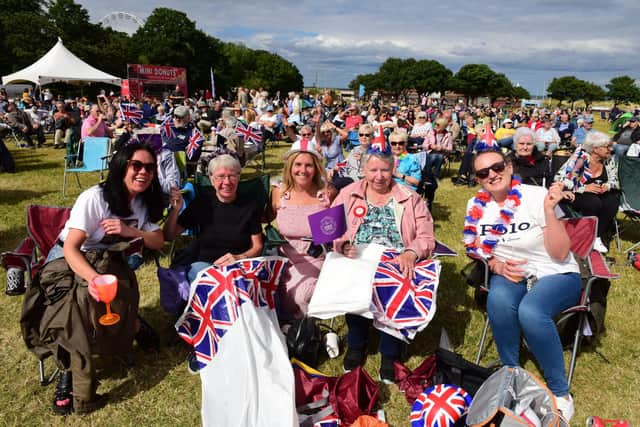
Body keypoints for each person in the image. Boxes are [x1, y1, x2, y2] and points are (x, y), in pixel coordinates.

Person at [21, 143, 165, 415]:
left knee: (118, 291)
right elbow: (70, 248)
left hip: (109, 257)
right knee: (72, 304)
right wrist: (94, 279)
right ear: (122, 166)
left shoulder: (144, 202)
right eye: (137, 165)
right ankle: (69, 370)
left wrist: (128, 229)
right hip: (69, 257)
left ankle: (131, 324)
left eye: (149, 167)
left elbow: (158, 240)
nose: (143, 172)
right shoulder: (95, 198)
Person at [465, 149, 581, 422]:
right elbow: (475, 246)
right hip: (512, 274)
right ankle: (511, 374)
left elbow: (562, 253)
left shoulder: (535, 195)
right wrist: (496, 265)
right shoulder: (476, 205)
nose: (492, 175)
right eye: (483, 173)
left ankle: (561, 393)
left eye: (496, 167)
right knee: (498, 301)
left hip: (556, 273)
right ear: (478, 179)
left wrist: (550, 212)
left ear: (508, 166)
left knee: (531, 311)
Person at [332, 150, 435, 383]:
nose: (379, 176)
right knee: (357, 281)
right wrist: (342, 244)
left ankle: (390, 351)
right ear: (364, 171)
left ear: (393, 170)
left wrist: (411, 252)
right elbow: (332, 229)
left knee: (394, 285)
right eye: (373, 170)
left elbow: (427, 236)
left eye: (384, 170)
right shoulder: (348, 194)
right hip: (358, 256)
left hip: (396, 258)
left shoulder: (410, 197)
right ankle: (357, 343)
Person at [163, 154, 263, 283]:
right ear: (211, 179)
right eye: (220, 176)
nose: (227, 182)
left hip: (238, 267)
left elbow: (258, 246)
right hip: (205, 266)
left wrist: (239, 258)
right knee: (202, 277)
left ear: (239, 177)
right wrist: (176, 210)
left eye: (232, 176)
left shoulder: (250, 206)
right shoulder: (203, 202)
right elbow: (169, 235)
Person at [270, 142, 330, 319]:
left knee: (302, 295)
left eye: (308, 165)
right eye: (298, 164)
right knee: (273, 295)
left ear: (316, 168)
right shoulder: (279, 193)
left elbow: (335, 232)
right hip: (284, 258)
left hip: (314, 257)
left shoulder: (325, 194)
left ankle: (303, 331)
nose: (302, 170)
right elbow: (262, 219)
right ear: (290, 167)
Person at [554, 131, 619, 253]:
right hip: (578, 193)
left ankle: (597, 236)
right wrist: (584, 188)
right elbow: (561, 180)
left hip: (601, 193)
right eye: (607, 147)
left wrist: (608, 186)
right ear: (595, 149)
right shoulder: (580, 160)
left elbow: (615, 181)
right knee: (593, 202)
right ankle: (587, 235)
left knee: (612, 201)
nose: (610, 149)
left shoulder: (609, 160)